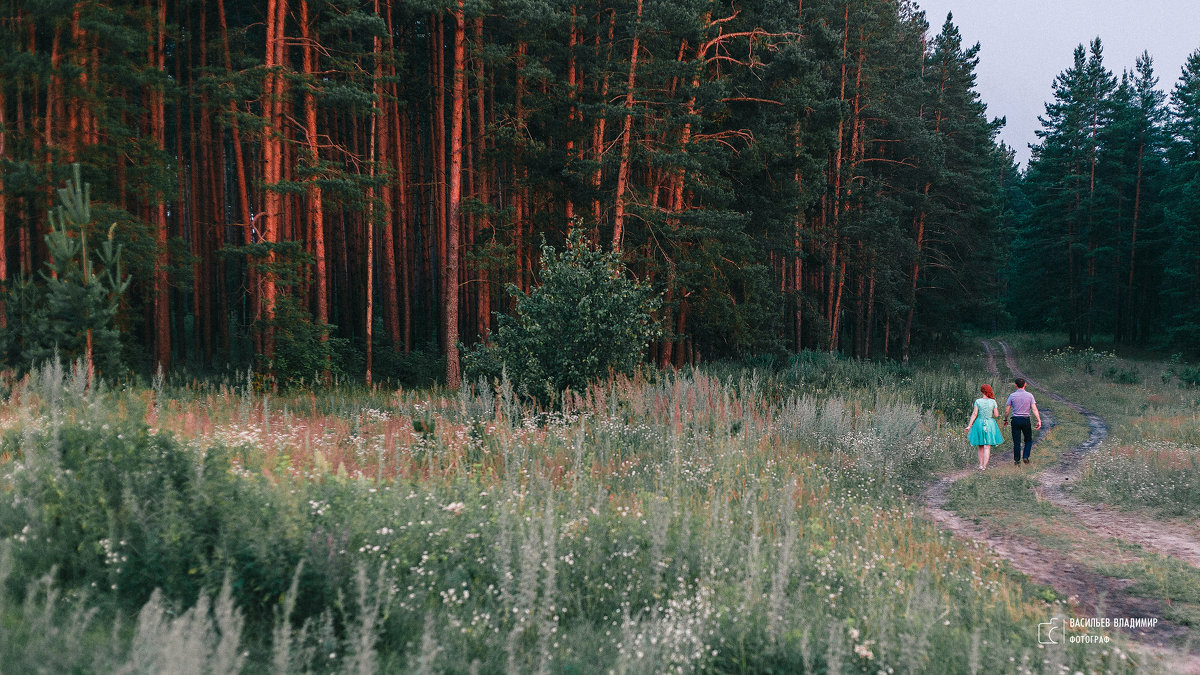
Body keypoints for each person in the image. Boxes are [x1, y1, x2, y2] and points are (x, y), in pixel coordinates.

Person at [1003, 377, 1042, 465]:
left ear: (1016, 385)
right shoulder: (1030, 395)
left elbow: (1007, 410)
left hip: (1015, 420)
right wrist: (1039, 420)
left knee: (1016, 441)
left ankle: (1017, 460)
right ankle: (1025, 456)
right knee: (1028, 440)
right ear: (1025, 385)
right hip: (1025, 420)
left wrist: (1005, 419)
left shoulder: (1012, 396)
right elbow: (1034, 409)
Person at [965, 384, 1004, 470]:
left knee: (981, 445)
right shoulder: (993, 401)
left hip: (979, 423)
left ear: (982, 391)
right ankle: (984, 466)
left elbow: (975, 414)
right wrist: (993, 410)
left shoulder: (978, 401)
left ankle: (980, 464)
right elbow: (996, 415)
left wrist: (969, 425)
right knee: (987, 446)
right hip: (990, 423)